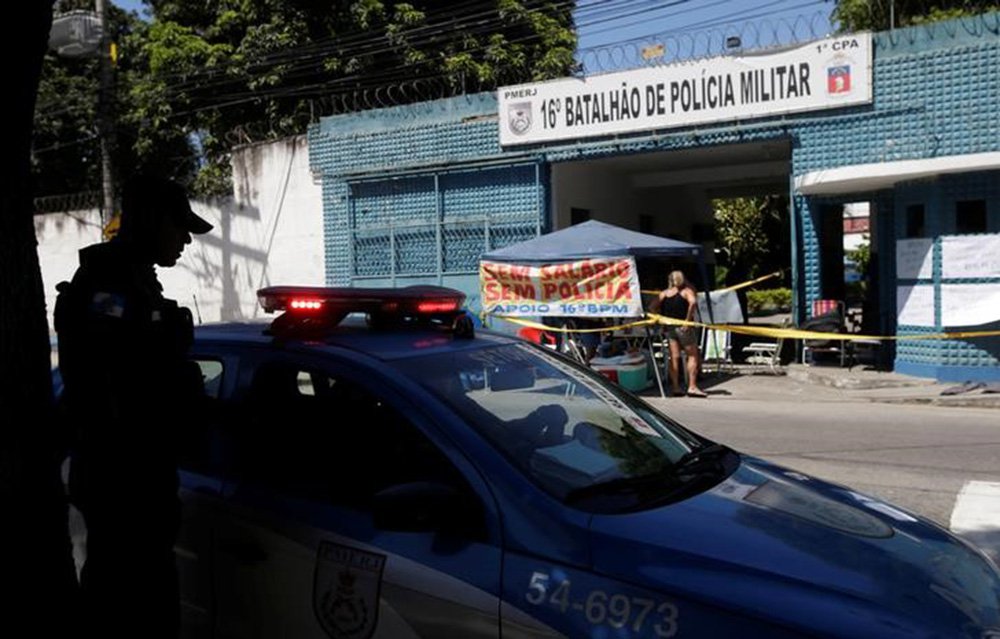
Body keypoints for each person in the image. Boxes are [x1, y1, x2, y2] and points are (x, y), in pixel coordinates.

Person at [54, 174, 212, 638]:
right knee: (127, 606)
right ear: (151, 221)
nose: (185, 239)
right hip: (121, 481)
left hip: (138, 479)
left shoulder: (136, 284)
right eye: (178, 226)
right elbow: (116, 386)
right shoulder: (109, 288)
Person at [648, 270, 706, 397]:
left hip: (670, 328)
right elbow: (693, 302)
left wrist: (661, 319)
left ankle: (675, 387)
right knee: (693, 355)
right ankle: (692, 386)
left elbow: (651, 307)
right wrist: (687, 320)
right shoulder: (686, 291)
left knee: (674, 357)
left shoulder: (664, 294)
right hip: (684, 328)